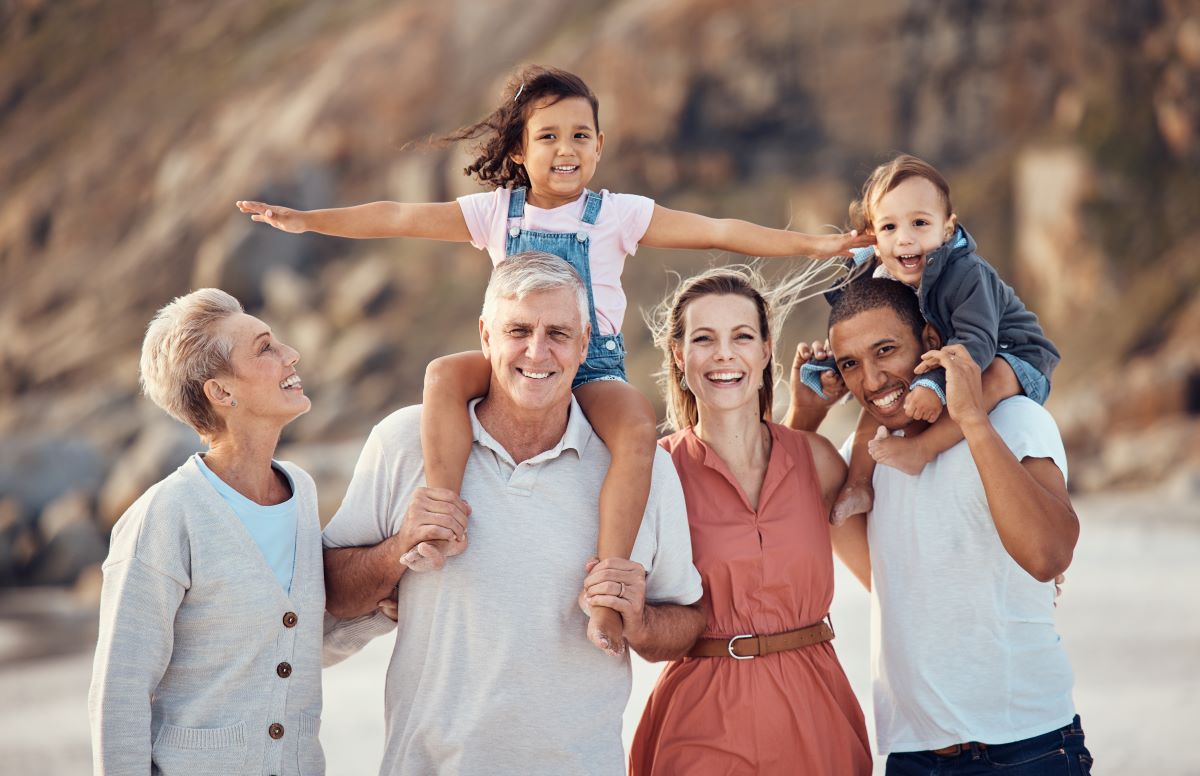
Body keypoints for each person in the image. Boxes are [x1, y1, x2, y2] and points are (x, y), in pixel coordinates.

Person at [237, 65, 868, 655]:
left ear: (598, 147)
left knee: (636, 429)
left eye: (579, 136)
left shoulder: (617, 215)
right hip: (514, 361)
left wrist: (817, 244)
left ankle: (609, 582)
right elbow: (398, 216)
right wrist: (308, 220)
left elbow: (721, 230)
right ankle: (441, 518)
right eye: (548, 136)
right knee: (441, 377)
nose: (565, 148)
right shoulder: (495, 213)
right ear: (518, 150)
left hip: (592, 364)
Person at [320, 252, 706, 776]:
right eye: (518, 330)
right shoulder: (403, 443)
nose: (537, 351)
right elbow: (334, 598)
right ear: (485, 336)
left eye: (558, 333)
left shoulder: (646, 472)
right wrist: (397, 550)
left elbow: (684, 625)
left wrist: (638, 618)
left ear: (586, 343)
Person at [791, 277, 1092, 774]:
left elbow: (1048, 557)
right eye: (850, 364)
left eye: (885, 350)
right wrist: (804, 415)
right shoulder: (863, 462)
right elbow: (882, 582)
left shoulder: (1015, 419)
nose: (872, 380)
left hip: (1027, 747)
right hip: (913, 754)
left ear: (930, 342)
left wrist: (972, 420)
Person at [627, 266, 872, 775]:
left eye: (741, 336)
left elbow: (885, 576)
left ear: (765, 350)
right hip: (701, 718)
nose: (724, 354)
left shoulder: (817, 458)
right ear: (679, 355)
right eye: (703, 339)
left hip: (815, 709)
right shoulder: (654, 473)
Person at [88, 289, 325, 775]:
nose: (291, 354)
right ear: (221, 393)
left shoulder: (300, 490)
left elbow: (300, 639)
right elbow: (120, 692)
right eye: (265, 348)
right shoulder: (167, 515)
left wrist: (398, 572)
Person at [800, 154, 1060, 524]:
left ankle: (923, 448)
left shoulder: (966, 273)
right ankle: (858, 484)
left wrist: (933, 385)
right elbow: (855, 322)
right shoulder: (879, 270)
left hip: (1011, 354)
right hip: (948, 354)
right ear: (874, 239)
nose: (905, 239)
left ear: (948, 229)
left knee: (993, 377)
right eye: (889, 228)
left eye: (920, 223)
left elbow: (977, 342)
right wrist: (832, 369)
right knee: (878, 393)